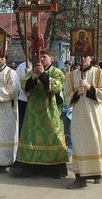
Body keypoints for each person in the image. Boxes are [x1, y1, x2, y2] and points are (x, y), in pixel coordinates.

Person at [11, 50, 68, 178]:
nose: (41, 59)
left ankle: (52, 169)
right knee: (30, 138)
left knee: (52, 138)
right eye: (40, 57)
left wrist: (42, 74)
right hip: (33, 113)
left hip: (49, 112)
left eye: (44, 57)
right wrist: (32, 78)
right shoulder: (32, 72)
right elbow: (24, 87)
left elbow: (57, 86)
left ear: (51, 58)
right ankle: (28, 168)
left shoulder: (57, 72)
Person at [64, 55, 102, 189]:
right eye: (80, 56)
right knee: (79, 143)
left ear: (91, 57)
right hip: (78, 115)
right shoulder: (71, 75)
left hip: (94, 114)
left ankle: (97, 173)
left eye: (85, 56)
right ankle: (80, 178)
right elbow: (66, 96)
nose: (82, 59)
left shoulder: (99, 73)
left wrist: (89, 87)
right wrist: (77, 93)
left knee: (95, 141)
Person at [0, 55, 20, 174]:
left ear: (5, 58)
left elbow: (14, 90)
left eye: (1, 57)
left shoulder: (12, 73)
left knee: (6, 135)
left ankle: (8, 162)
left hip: (7, 111)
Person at [15, 49, 32, 135]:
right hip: (23, 100)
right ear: (27, 53)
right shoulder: (21, 67)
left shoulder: (40, 66)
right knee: (22, 123)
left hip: (35, 100)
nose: (32, 54)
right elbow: (17, 83)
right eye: (30, 51)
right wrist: (25, 92)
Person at [61, 60, 73, 156]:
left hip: (72, 108)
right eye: (65, 65)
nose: (67, 67)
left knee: (71, 129)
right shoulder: (61, 78)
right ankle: (68, 147)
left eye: (69, 65)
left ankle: (71, 147)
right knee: (66, 130)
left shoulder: (73, 77)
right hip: (63, 107)